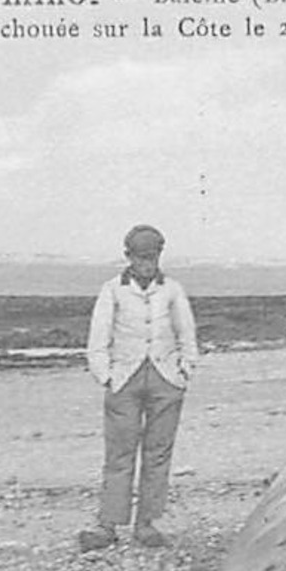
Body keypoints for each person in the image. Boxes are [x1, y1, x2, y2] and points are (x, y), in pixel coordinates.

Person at [78, 224, 200, 551]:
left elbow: (187, 334)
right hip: (125, 380)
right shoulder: (112, 290)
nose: (148, 263)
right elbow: (98, 338)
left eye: (153, 256)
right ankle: (108, 524)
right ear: (128, 256)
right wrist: (105, 376)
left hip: (165, 379)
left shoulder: (173, 290)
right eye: (141, 257)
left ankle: (146, 524)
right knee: (119, 453)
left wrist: (184, 369)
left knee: (158, 452)